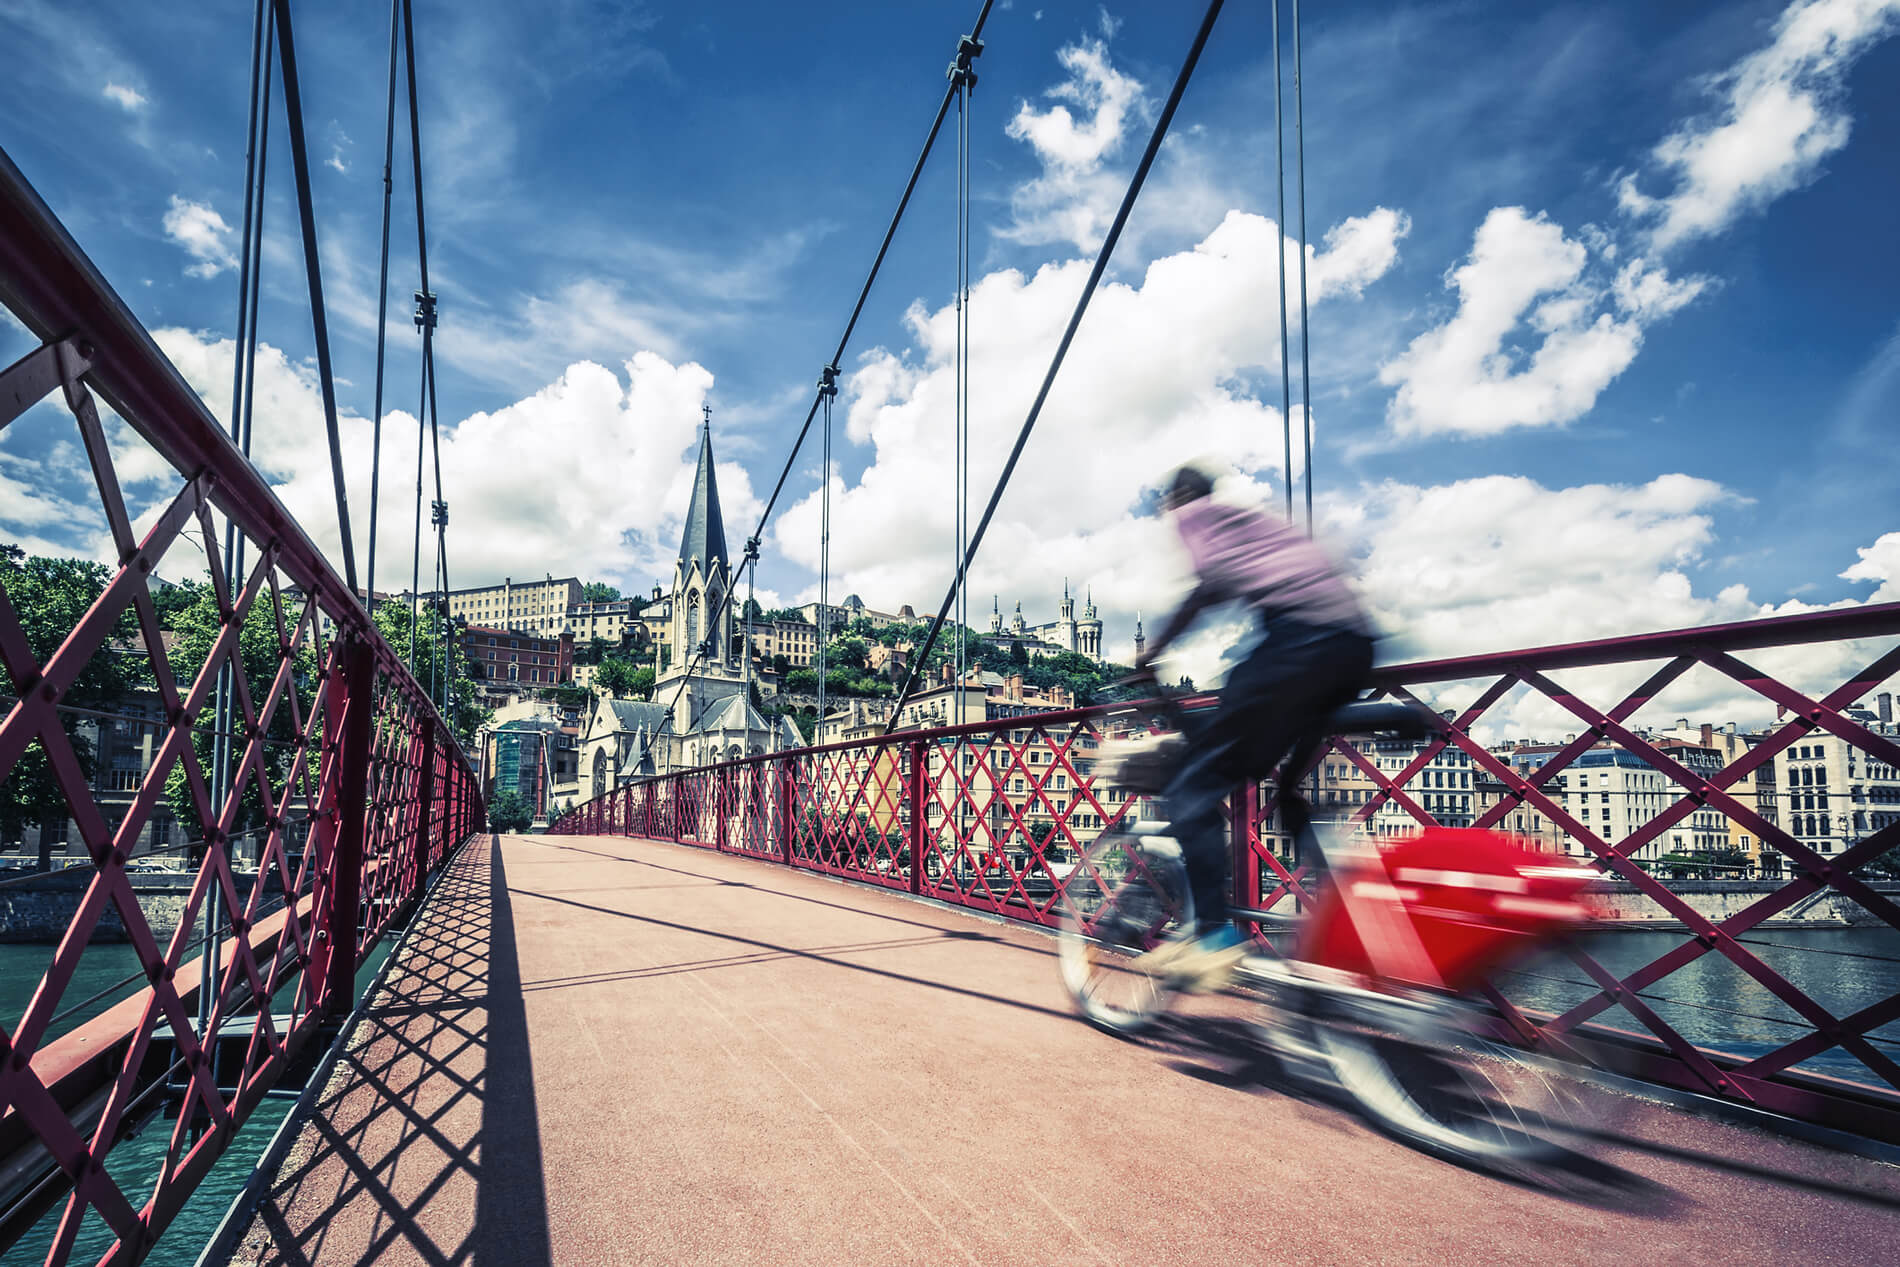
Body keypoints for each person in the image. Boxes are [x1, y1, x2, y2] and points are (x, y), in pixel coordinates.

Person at [1132, 463, 1375, 992]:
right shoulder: (1255, 521)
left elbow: (1209, 588)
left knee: (1192, 790)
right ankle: (1351, 923)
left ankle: (1214, 935)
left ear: (1175, 499)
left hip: (1299, 643)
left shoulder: (1196, 514)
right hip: (1354, 648)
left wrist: (1155, 651)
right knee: (1289, 792)